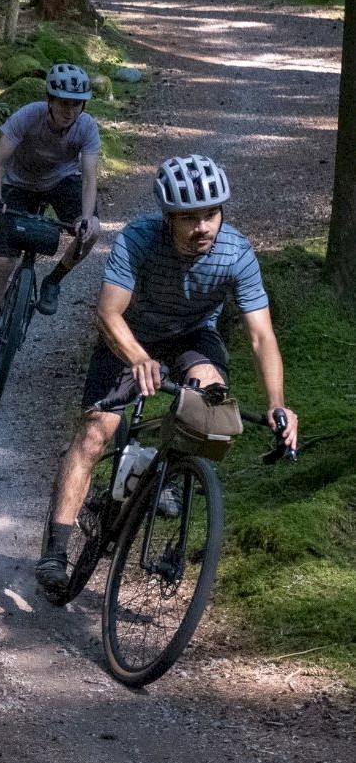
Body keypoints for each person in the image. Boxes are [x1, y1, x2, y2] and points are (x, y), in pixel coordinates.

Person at [32, 154, 300, 595]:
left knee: (209, 399)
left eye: (211, 214)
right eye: (189, 218)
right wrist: (137, 357)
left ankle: (168, 474)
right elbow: (108, 312)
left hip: (193, 336)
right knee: (95, 434)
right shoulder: (137, 240)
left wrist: (276, 402)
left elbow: (261, 337)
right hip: (129, 334)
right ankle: (56, 551)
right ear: (167, 218)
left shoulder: (237, 254)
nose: (203, 227)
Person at [0, 63, 102, 369]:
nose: (70, 110)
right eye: (63, 103)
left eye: (76, 104)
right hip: (19, 184)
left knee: (92, 231)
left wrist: (85, 217)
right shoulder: (28, 116)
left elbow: (90, 178)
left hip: (62, 181)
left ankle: (54, 281)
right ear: (50, 100)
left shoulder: (87, 127)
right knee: (3, 264)